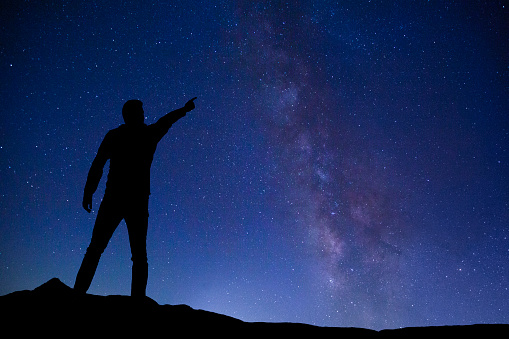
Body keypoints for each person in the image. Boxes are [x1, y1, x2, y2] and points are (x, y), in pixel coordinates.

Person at [74, 97, 197, 297]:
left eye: (141, 111)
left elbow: (98, 163)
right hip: (125, 200)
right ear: (129, 115)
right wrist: (89, 190)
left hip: (122, 199)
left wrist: (89, 190)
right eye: (139, 112)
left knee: (112, 251)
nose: (142, 114)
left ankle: (83, 294)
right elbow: (98, 163)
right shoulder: (142, 135)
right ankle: (87, 294)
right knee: (125, 253)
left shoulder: (126, 135)